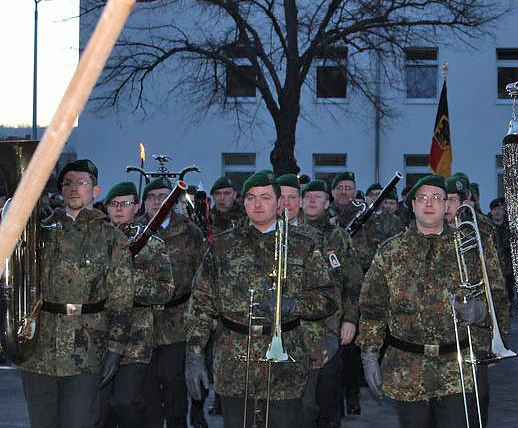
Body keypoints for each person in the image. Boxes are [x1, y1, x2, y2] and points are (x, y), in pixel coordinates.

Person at [184, 170, 338, 428]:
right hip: (235, 359)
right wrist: (194, 355)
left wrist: (294, 305)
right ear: (242, 202)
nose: (257, 204)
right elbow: (200, 305)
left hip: (285, 360)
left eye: (265, 197)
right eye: (251, 198)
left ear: (278, 203)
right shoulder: (221, 247)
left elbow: (328, 297)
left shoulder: (303, 245)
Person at [359, 175, 504, 428]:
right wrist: (369, 354)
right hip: (407, 366)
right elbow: (373, 307)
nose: (429, 203)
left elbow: (498, 295)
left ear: (447, 205)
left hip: (456, 366)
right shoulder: (390, 251)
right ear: (412, 205)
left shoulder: (469, 247)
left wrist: (481, 310)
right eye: (422, 198)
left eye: (437, 198)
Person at [17, 160, 134, 428]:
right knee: (42, 422)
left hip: (87, 346)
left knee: (79, 421)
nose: (74, 188)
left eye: (82, 183)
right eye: (67, 183)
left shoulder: (111, 237)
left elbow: (121, 298)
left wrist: (115, 349)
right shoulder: (39, 233)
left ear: (95, 190)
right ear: (60, 191)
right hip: (40, 346)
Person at [330, 171, 404, 414]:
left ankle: (352, 395)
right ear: (332, 192)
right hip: (331, 288)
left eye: (348, 187)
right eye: (339, 187)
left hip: (359, 286)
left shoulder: (366, 217)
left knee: (351, 348)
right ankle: (335, 397)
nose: (344, 191)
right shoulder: (325, 216)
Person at [102, 182, 175, 428]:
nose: (119, 209)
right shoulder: (96, 240)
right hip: (96, 334)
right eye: (114, 204)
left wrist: (130, 287)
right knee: (101, 410)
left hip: (135, 339)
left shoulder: (152, 244)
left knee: (125, 401)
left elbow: (166, 291)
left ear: (137, 206)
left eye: (126, 204)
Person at [139, 178, 207, 428]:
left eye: (164, 196)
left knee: (172, 379)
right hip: (143, 323)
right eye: (152, 197)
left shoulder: (190, 232)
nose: (158, 202)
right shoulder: (135, 232)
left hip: (178, 320)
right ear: (144, 203)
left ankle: (178, 422)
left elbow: (202, 277)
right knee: (147, 387)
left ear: (175, 201)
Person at [443, 175, 510, 423]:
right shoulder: (425, 233)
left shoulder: (479, 231)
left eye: (451, 200)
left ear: (463, 202)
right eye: (442, 200)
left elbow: (497, 287)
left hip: (476, 334)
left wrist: (498, 335)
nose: (446, 206)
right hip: (438, 336)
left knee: (476, 401)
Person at [299, 178, 364, 428]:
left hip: (330, 328)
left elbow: (354, 281)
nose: (313, 201)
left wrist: (350, 319)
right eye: (309, 197)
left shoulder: (339, 237)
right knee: (301, 402)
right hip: (297, 328)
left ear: (328, 203)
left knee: (328, 396)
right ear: (301, 202)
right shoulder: (290, 233)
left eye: (318, 197)